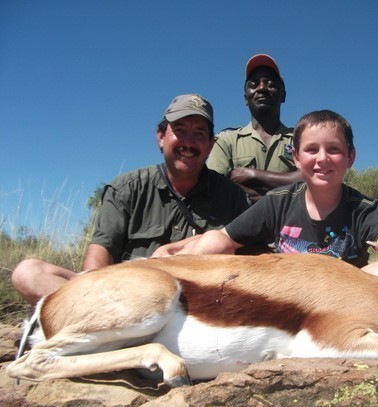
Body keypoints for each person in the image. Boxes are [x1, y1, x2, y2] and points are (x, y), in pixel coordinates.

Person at [11, 94, 250, 305]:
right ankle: (104, 322)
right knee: (28, 273)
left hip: (197, 306)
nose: (188, 142)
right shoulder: (126, 188)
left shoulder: (232, 196)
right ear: (161, 136)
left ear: (210, 146)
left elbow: (247, 263)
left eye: (199, 134)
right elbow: (96, 266)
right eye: (179, 130)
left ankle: (101, 331)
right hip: (124, 299)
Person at [176, 110, 378, 279]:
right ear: (297, 158)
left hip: (344, 299)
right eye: (312, 150)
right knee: (215, 245)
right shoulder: (279, 202)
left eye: (334, 149)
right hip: (291, 297)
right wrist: (174, 257)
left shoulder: (363, 208)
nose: (322, 159)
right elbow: (222, 238)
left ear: (350, 157)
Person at [207, 54, 302, 203]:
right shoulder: (226, 140)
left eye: (270, 84)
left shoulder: (300, 139)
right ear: (246, 98)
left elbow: (311, 179)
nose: (262, 88)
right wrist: (282, 194)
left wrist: (252, 175)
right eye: (254, 84)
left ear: (283, 95)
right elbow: (214, 186)